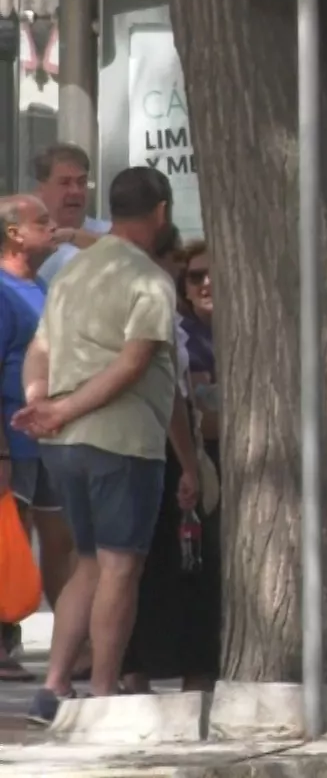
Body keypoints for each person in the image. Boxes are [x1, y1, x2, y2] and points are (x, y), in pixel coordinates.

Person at [13, 167, 195, 723]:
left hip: (63, 443)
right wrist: (61, 408)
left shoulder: (70, 273)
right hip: (122, 441)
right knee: (119, 567)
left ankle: (53, 685)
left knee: (87, 562)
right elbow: (135, 362)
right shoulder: (150, 281)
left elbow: (40, 347)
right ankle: (104, 693)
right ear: (161, 212)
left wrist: (40, 401)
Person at [120, 230, 219, 694]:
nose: (205, 284)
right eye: (196, 275)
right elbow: (195, 408)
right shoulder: (183, 335)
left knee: (200, 577)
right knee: (158, 569)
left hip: (204, 463)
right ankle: (135, 674)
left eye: (215, 275)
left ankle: (197, 674)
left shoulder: (237, 332)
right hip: (174, 459)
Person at [0, 195, 66, 682]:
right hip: (12, 441)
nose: (54, 226)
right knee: (10, 539)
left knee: (54, 540)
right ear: (14, 234)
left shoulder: (38, 285)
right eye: (41, 221)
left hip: (47, 440)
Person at [33, 143, 110, 286]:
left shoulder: (109, 233)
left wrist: (73, 236)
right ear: (41, 188)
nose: (76, 191)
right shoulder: (27, 243)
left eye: (81, 182)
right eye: (65, 183)